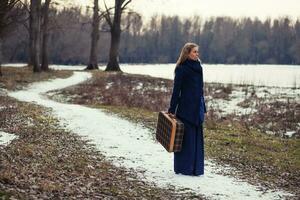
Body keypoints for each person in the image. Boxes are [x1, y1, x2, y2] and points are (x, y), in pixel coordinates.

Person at [168, 42, 206, 176]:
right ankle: (184, 168)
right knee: (186, 140)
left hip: (197, 108)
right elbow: (176, 90)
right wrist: (172, 109)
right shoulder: (181, 68)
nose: (197, 54)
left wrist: (203, 106)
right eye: (194, 52)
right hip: (185, 108)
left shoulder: (199, 67)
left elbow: (200, 89)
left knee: (196, 139)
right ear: (187, 53)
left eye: (197, 52)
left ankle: (196, 169)